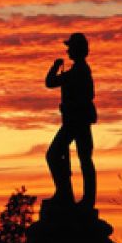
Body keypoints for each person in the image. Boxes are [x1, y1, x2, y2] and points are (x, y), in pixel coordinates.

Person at [45, 32, 97, 208]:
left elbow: (50, 82)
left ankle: (67, 194)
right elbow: (51, 82)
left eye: (70, 48)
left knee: (54, 154)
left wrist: (69, 106)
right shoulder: (78, 70)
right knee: (83, 158)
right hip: (76, 121)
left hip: (76, 122)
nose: (67, 51)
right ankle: (67, 195)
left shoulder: (79, 71)